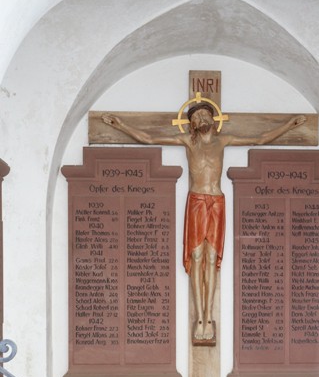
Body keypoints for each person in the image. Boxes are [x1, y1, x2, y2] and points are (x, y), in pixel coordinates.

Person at [102, 105, 306, 343]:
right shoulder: (189, 143)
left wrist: (288, 125)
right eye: (196, 117)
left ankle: (209, 316)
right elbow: (149, 138)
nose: (201, 118)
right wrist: (121, 125)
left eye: (204, 114)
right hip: (197, 200)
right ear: (192, 125)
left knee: (212, 259)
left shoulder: (223, 140)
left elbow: (260, 139)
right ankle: (199, 317)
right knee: (196, 257)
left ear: (212, 118)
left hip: (217, 201)